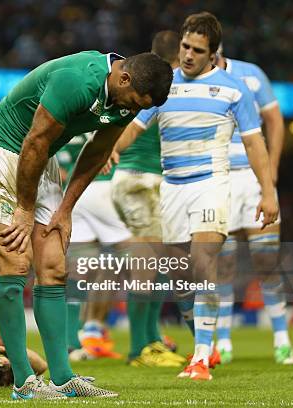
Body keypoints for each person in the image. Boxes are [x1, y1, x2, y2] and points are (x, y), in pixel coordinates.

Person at [0, 50, 173, 398]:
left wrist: (65, 208)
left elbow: (98, 151)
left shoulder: (129, 99)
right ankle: (23, 383)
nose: (135, 109)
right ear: (123, 78)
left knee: (54, 266)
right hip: (3, 150)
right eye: (135, 101)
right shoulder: (78, 80)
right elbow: (34, 139)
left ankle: (62, 378)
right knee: (17, 262)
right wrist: (24, 208)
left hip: (41, 158)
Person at [111, 12, 278, 381]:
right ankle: (206, 344)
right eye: (185, 46)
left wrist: (268, 192)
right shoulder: (164, 87)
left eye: (197, 50)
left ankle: (200, 356)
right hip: (172, 189)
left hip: (212, 185)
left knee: (204, 266)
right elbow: (135, 127)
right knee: (180, 276)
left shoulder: (234, 90)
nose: (187, 55)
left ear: (213, 53)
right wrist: (112, 150)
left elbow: (255, 144)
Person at [214, 46, 293, 365]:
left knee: (266, 259)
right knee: (224, 266)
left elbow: (275, 120)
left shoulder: (251, 74)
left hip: (251, 177)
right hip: (218, 179)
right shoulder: (192, 81)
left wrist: (270, 170)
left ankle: (282, 339)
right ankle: (224, 342)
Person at [111, 30, 185, 368]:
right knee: (146, 267)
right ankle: (139, 348)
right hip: (139, 179)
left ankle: (152, 338)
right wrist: (111, 150)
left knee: (159, 264)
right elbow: (131, 130)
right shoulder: (155, 88)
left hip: (149, 181)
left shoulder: (141, 84)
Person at [56, 133, 127, 362]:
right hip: (107, 188)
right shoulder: (109, 110)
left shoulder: (64, 118)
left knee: (81, 269)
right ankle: (143, 341)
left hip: (74, 193)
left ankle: (72, 342)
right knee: (139, 257)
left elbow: (59, 170)